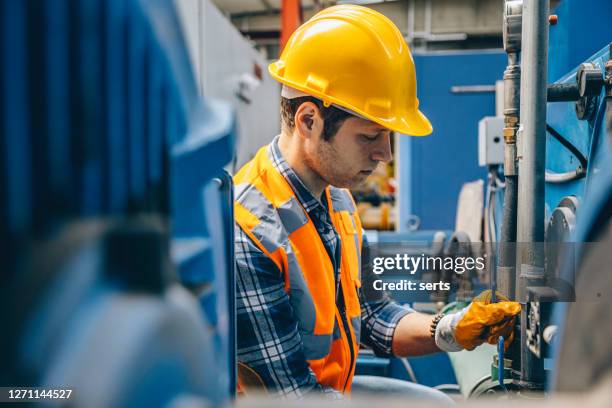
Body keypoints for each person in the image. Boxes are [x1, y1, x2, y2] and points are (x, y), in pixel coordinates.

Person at [233, 4, 520, 399]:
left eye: (387, 137)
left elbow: (374, 314)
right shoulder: (248, 232)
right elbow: (292, 398)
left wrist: (450, 329)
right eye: (369, 137)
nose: (385, 154)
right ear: (308, 121)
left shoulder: (337, 200)